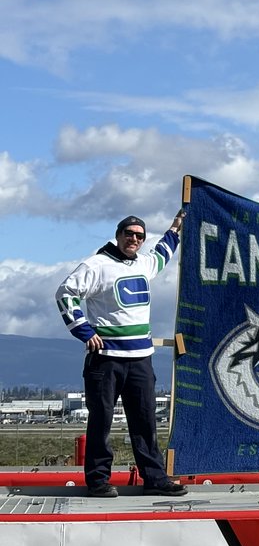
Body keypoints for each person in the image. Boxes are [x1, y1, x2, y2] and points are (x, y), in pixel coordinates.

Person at [56, 212, 188, 498]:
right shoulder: (96, 265)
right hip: (106, 359)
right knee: (101, 421)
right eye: (129, 233)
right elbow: (65, 293)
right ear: (118, 235)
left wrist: (176, 228)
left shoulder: (144, 263)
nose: (135, 239)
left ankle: (154, 478)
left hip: (141, 359)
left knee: (145, 421)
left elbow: (163, 252)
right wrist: (84, 330)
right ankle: (98, 481)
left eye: (140, 235)